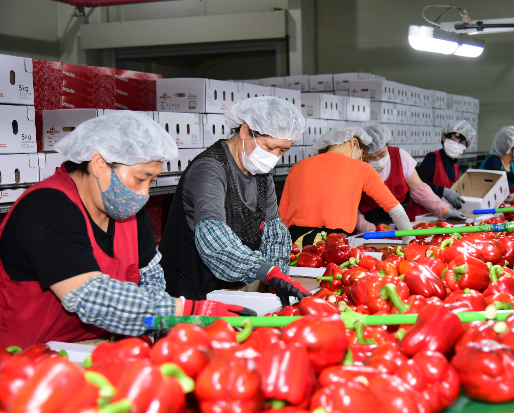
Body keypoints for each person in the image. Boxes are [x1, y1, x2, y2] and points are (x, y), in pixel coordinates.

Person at [0, 112, 254, 348]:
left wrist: (159, 325)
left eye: (151, 181)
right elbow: (90, 296)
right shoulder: (47, 208)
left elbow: (150, 275)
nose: (144, 193)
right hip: (31, 357)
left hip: (99, 349)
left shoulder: (126, 207)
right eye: (139, 178)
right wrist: (187, 310)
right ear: (99, 163)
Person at [160, 97, 311, 305]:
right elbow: (215, 241)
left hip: (231, 288)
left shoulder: (260, 171)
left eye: (283, 151)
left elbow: (273, 228)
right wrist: (266, 271)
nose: (274, 157)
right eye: (270, 147)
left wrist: (277, 276)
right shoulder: (209, 170)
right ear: (245, 130)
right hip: (193, 290)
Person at [279, 125, 414, 244]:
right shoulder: (361, 168)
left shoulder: (298, 167)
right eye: (361, 155)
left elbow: (282, 215)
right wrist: (409, 239)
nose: (360, 159)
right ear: (354, 143)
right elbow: (395, 209)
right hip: (333, 243)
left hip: (295, 241)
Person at [356, 124, 466, 232]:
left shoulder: (400, 157)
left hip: (397, 219)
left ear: (387, 145)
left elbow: (419, 189)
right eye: (371, 157)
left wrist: (444, 210)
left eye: (382, 154)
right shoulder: (357, 165)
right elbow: (351, 205)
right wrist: (365, 227)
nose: (378, 160)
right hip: (368, 221)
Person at [413, 120, 477, 218]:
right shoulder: (432, 158)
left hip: (440, 215)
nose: (456, 144)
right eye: (453, 139)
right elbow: (417, 182)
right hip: (422, 214)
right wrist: (442, 191)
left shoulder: (455, 166)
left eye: (461, 142)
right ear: (444, 138)